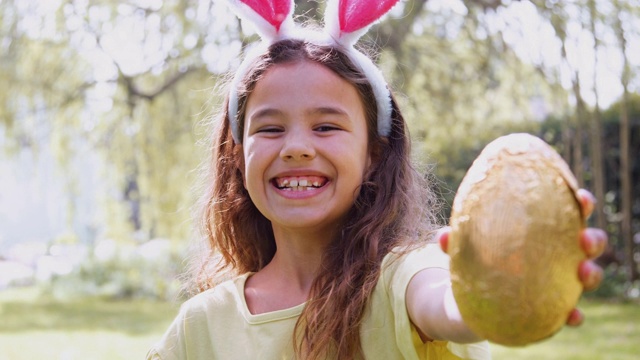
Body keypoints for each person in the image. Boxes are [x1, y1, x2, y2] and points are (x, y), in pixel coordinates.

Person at [146, 1, 607, 359]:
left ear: (374, 156)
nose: (296, 147)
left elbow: (446, 307)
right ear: (237, 158)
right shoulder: (200, 325)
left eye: (326, 126)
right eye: (270, 128)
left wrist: (493, 288)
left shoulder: (400, 278)